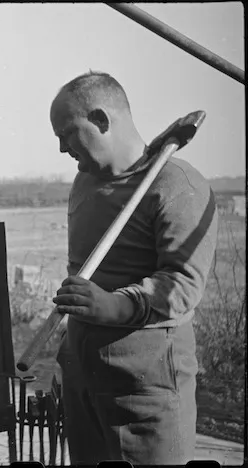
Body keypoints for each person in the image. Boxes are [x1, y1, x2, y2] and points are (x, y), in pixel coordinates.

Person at [49, 71, 218, 465]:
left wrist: (112, 306)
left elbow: (182, 285)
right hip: (83, 383)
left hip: (145, 391)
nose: (61, 148)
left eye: (67, 133)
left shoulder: (177, 185)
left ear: (102, 120)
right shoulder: (84, 184)